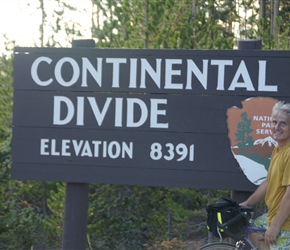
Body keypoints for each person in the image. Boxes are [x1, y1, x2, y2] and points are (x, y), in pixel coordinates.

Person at [240, 101, 290, 250]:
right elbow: (269, 182)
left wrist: (275, 226)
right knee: (251, 230)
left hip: (286, 224)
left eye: (283, 124)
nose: (276, 127)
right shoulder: (278, 149)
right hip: (273, 216)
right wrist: (247, 204)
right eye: (274, 122)